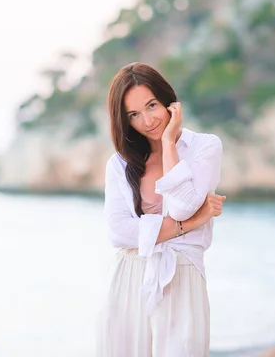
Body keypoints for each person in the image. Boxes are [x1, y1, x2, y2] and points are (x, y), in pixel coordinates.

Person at [96, 62, 226, 357]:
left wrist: (169, 142)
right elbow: (118, 231)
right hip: (129, 275)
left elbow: (182, 206)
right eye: (133, 115)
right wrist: (188, 225)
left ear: (169, 100)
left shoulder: (205, 147)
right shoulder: (120, 163)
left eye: (151, 105)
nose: (147, 120)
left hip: (183, 274)